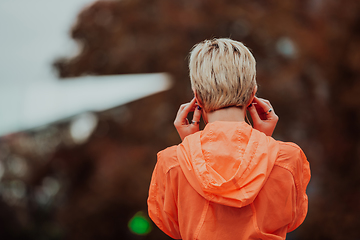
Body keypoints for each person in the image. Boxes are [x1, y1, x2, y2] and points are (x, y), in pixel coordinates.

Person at [147, 38, 311, 240]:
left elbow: (172, 226)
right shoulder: (288, 159)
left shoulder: (171, 163)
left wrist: (189, 150)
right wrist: (263, 142)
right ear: (253, 94)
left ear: (196, 97)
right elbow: (292, 218)